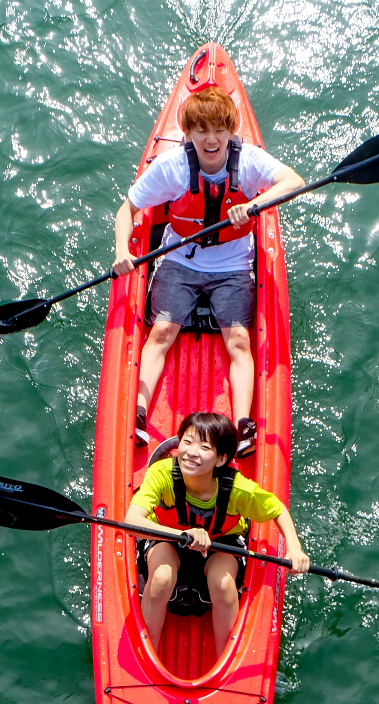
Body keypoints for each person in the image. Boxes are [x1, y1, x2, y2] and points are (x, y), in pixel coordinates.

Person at [112, 87, 305, 457]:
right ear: (188, 134)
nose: (211, 139)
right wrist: (123, 252)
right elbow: (127, 211)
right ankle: (138, 413)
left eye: (219, 129)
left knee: (238, 341)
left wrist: (253, 204)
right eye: (201, 130)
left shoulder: (248, 161)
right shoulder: (171, 167)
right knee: (162, 331)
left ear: (232, 131)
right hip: (180, 260)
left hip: (233, 265)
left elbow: (292, 182)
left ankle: (243, 425)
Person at [125, 412, 311, 658]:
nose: (192, 452)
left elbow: (277, 509)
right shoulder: (161, 474)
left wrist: (294, 548)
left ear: (221, 459)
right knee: (160, 578)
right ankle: (147, 655)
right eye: (187, 442)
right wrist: (183, 534)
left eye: (204, 447)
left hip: (221, 544)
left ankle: (227, 660)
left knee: (223, 584)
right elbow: (132, 521)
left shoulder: (237, 488)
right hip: (166, 537)